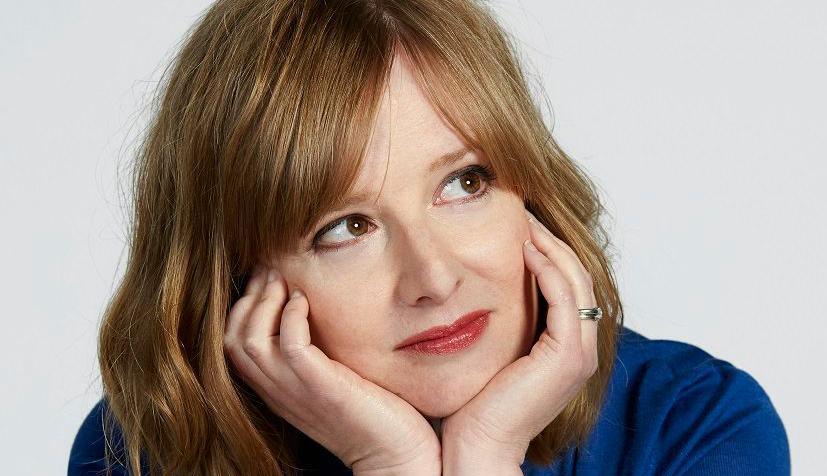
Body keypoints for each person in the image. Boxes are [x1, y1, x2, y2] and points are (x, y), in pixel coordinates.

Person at [68, 0, 790, 474]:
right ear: (237, 274)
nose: (434, 279)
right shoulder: (147, 449)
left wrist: (485, 456)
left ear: (529, 190)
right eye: (344, 227)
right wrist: (391, 465)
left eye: (465, 183)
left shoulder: (694, 424)